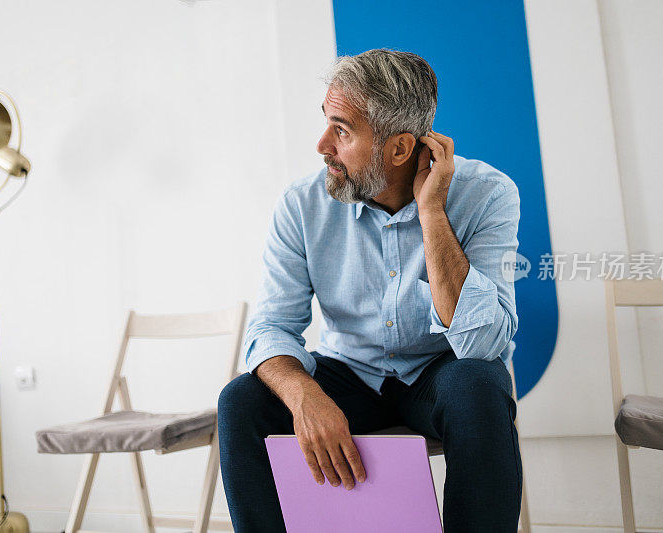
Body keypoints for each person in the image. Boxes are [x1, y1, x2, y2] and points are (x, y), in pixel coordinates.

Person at [218, 48, 522, 532]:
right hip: (349, 374)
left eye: (341, 130)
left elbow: (482, 345)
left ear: (400, 149)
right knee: (242, 401)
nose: (322, 145)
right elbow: (271, 326)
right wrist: (304, 396)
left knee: (478, 385)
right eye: (326, 123)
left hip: (436, 371)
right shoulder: (301, 205)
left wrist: (432, 214)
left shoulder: (488, 193)